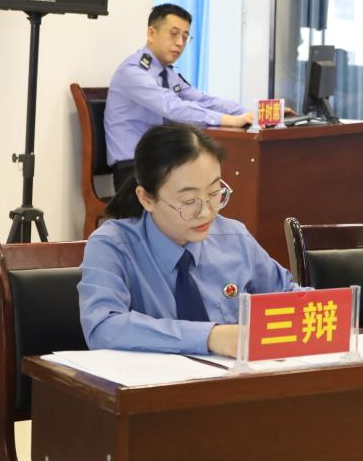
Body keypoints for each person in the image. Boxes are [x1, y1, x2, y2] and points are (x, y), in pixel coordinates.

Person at [79, 123, 303, 356]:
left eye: (214, 193)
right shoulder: (112, 246)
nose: (205, 213)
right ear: (146, 198)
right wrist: (210, 337)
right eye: (188, 201)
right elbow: (102, 328)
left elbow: (289, 298)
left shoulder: (235, 238)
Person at [104, 3, 254, 190]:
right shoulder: (133, 72)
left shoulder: (168, 73)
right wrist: (228, 120)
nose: (180, 43)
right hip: (133, 170)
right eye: (174, 34)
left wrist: (251, 114)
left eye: (185, 37)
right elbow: (172, 107)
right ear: (151, 33)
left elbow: (203, 100)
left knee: (216, 178)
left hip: (161, 164)